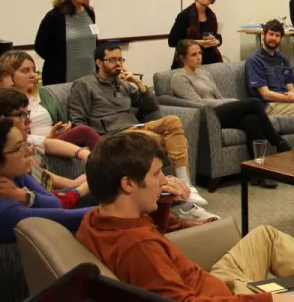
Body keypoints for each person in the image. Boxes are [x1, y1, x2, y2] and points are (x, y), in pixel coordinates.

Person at [77, 131, 294, 302]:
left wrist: (163, 202)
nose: (164, 180)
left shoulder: (98, 218)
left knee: (265, 235)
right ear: (128, 184)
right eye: (156, 175)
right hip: (220, 294)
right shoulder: (138, 248)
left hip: (206, 280)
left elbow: (154, 244)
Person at [68, 43, 217, 221]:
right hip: (114, 136)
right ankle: (186, 205)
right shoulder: (84, 85)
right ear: (99, 62)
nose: (118, 64)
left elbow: (151, 106)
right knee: (157, 140)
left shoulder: (122, 83)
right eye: (112, 60)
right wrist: (98, 145)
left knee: (173, 121)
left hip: (135, 129)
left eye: (120, 59)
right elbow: (78, 123)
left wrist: (138, 83)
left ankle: (186, 185)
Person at [171, 39, 289, 188]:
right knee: (253, 102)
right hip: (208, 116)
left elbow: (219, 97)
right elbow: (198, 103)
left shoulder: (205, 74)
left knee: (252, 120)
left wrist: (230, 102)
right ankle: (279, 143)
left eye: (200, 53)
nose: (199, 57)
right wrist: (232, 103)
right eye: (193, 54)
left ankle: (258, 173)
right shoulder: (179, 78)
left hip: (221, 111)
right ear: (183, 58)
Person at [0, 116, 90, 243]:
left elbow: (56, 204)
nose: (29, 151)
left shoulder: (10, 174)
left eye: (26, 144)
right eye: (19, 148)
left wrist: (23, 196)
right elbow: (69, 218)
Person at [0, 88, 93, 208]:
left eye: (27, 113)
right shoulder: (4, 168)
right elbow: (57, 206)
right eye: (21, 115)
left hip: (49, 196)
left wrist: (83, 155)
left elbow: (46, 144)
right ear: (0, 119)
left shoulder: (22, 144)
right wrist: (78, 188)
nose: (29, 120)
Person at [0, 50, 100, 149]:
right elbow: (12, 136)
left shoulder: (42, 93)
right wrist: (47, 138)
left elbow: (59, 121)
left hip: (56, 138)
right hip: (39, 143)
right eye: (25, 71)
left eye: (33, 70)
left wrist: (63, 128)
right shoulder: (4, 102)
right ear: (9, 74)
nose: (33, 75)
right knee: (84, 131)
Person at [35, 0, 97, 85]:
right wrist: (57, 61)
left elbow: (93, 41)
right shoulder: (55, 16)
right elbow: (40, 46)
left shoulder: (89, 12)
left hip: (89, 72)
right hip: (62, 76)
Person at [168, 0, 223, 70]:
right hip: (189, 64)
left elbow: (218, 37)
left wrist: (217, 41)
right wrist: (196, 42)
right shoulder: (185, 15)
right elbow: (172, 41)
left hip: (211, 62)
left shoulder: (212, 15)